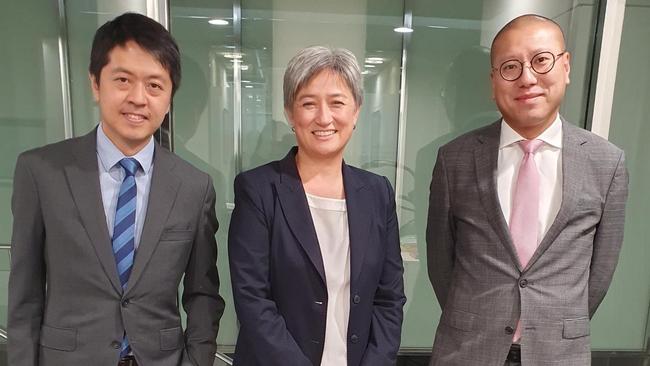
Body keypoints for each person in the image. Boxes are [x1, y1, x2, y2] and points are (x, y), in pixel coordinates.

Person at [8, 13, 225, 366]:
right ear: (96, 83)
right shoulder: (42, 172)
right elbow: (25, 293)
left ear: (170, 97)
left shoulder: (194, 186)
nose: (139, 98)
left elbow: (203, 293)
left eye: (155, 85)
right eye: (123, 80)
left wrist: (197, 360)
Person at [426, 14, 628, 366]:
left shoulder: (605, 163)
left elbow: (599, 273)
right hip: (468, 350)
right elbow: (441, 263)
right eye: (510, 67)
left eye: (540, 60)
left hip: (558, 353)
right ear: (493, 82)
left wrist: (554, 322)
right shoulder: (454, 159)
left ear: (565, 67)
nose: (527, 78)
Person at [228, 46, 406, 366]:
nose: (324, 117)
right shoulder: (258, 189)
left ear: (356, 111)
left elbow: (389, 298)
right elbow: (253, 300)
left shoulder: (377, 193)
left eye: (337, 102)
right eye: (308, 103)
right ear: (290, 113)